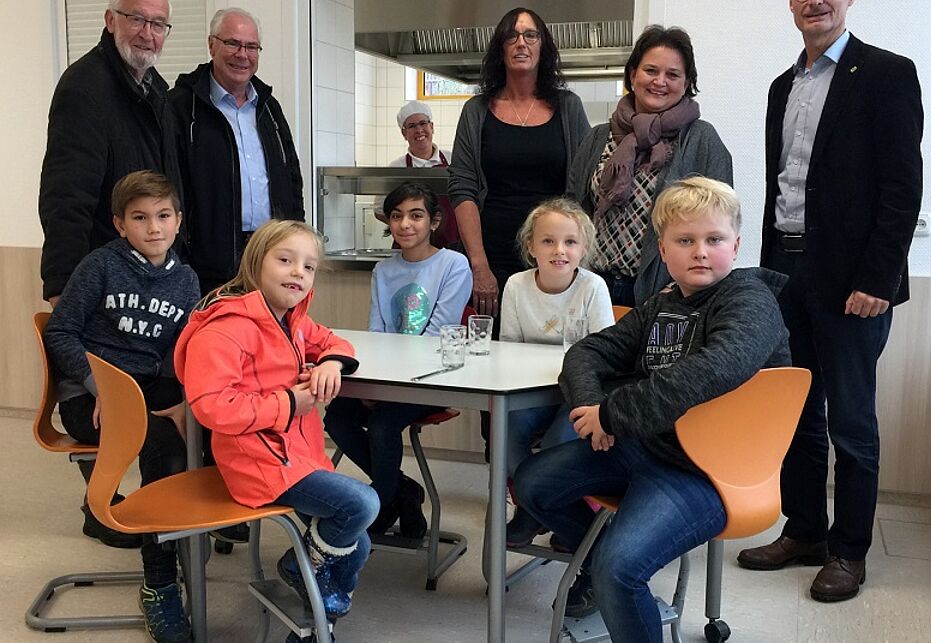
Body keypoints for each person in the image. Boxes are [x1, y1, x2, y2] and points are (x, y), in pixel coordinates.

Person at [513, 177, 790, 640]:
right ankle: (596, 559)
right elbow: (586, 352)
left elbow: (714, 369)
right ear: (663, 250)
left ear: (736, 246)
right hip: (646, 448)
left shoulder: (750, 300)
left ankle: (606, 571)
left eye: (714, 239)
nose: (700, 252)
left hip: (709, 471)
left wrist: (612, 414)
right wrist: (591, 405)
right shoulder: (662, 305)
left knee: (620, 571)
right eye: (685, 241)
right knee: (531, 484)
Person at [737, 0, 923, 603]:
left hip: (853, 283)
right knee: (795, 411)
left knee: (851, 421)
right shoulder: (781, 86)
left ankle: (849, 551)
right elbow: (781, 187)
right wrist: (766, 277)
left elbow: (902, 189)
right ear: (790, 1)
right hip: (787, 273)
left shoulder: (887, 74)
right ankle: (806, 531)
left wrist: (877, 279)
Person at [174, 220, 378, 635]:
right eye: (285, 260)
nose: (298, 272)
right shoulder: (226, 327)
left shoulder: (290, 318)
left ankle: (316, 615)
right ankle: (304, 575)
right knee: (361, 505)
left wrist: (330, 363)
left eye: (309, 266)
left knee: (359, 543)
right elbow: (212, 406)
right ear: (256, 263)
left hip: (295, 455)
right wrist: (289, 403)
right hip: (256, 462)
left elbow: (333, 341)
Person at [44, 171, 200, 643]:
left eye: (163, 216)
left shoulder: (186, 279)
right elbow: (59, 332)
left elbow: (183, 353)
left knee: (207, 428)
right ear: (120, 224)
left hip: (147, 388)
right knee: (164, 449)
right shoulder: (100, 266)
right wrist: (102, 390)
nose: (153, 227)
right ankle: (160, 583)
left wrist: (184, 401)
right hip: (91, 396)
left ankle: (186, 535)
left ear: (178, 221)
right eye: (140, 218)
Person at [325, 182, 472, 541]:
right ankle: (403, 491)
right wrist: (373, 384)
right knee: (337, 418)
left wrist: (387, 387)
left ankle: (381, 502)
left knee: (381, 426)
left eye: (416, 215)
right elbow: (376, 333)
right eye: (396, 216)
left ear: (434, 221)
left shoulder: (453, 265)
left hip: (430, 377)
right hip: (387, 377)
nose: (405, 224)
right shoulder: (384, 269)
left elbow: (437, 335)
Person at [567, 25, 732, 307]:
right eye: (651, 70)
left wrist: (681, 288)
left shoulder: (702, 140)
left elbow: (720, 225)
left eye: (673, 75)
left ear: (686, 83)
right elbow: (573, 210)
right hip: (592, 289)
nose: (660, 81)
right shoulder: (597, 137)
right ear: (633, 75)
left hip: (667, 294)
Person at [39, 0, 179, 308]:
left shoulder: (156, 89)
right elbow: (66, 196)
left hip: (150, 275)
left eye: (158, 24)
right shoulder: (84, 88)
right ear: (110, 20)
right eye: (137, 19)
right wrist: (64, 288)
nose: (148, 33)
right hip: (102, 280)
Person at [449, 7, 590, 320]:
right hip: (492, 257)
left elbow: (584, 185)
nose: (521, 43)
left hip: (554, 256)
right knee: (494, 343)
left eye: (530, 35)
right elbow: (462, 188)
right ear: (500, 48)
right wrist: (479, 266)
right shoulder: (476, 110)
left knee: (552, 341)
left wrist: (573, 255)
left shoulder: (569, 107)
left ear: (543, 46)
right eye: (511, 36)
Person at [499, 197, 614, 547]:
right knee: (508, 429)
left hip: (580, 393)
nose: (559, 250)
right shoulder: (516, 285)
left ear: (584, 249)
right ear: (530, 246)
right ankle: (531, 507)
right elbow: (507, 348)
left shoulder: (593, 287)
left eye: (570, 242)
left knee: (556, 444)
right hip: (532, 389)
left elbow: (606, 354)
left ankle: (558, 510)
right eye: (548, 240)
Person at [169, 7, 304, 295]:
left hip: (270, 253)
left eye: (251, 47)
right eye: (232, 43)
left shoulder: (269, 108)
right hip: (207, 266)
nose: (243, 55)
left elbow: (292, 178)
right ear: (211, 45)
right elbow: (169, 185)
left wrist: (295, 238)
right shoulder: (181, 107)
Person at [377, 101, 459, 248]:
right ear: (404, 133)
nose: (419, 130)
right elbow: (379, 209)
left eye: (423, 123)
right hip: (409, 247)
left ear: (432, 127)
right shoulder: (397, 167)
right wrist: (407, 226)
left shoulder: (454, 160)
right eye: (412, 126)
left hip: (451, 244)